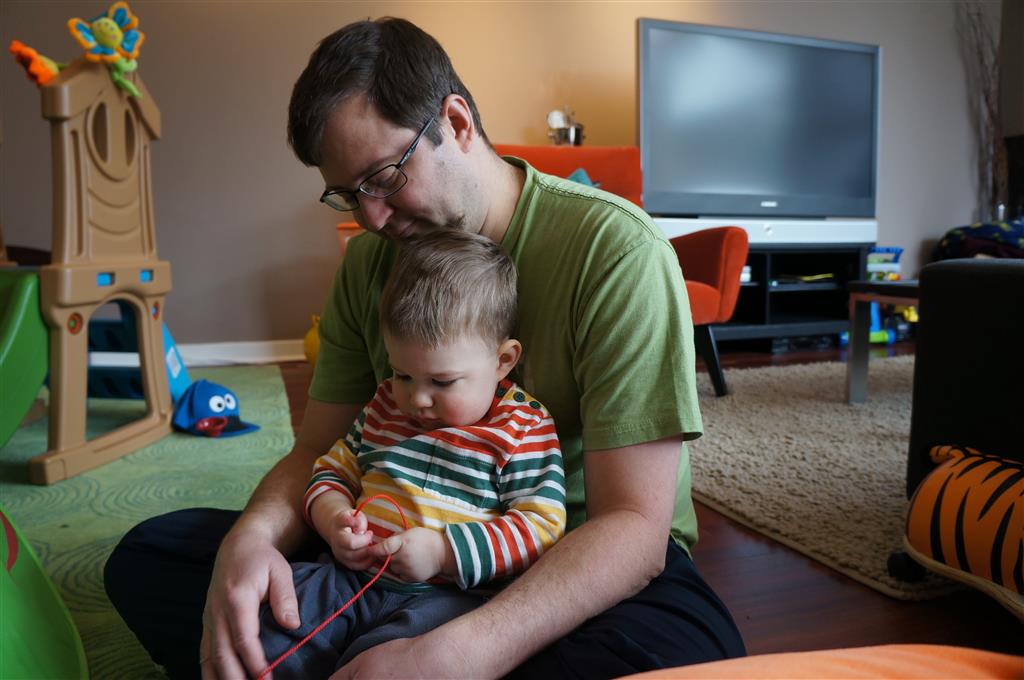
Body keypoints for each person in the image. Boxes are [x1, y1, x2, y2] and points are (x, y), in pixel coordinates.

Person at [104, 16, 746, 680]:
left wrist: (461, 652)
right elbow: (317, 450)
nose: (371, 218)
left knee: (685, 652)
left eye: (383, 177)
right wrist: (251, 539)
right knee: (153, 556)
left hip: (566, 562)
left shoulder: (615, 252)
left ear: (456, 123)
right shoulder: (368, 264)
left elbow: (635, 528)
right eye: (348, 195)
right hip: (388, 559)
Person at [259, 230, 565, 677]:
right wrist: (333, 517)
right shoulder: (385, 405)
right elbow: (332, 470)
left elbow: (541, 527)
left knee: (384, 665)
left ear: (503, 361)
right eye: (402, 374)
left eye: (442, 382)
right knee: (270, 624)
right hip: (351, 578)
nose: (417, 399)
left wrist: (444, 552)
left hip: (447, 600)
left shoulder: (523, 427)